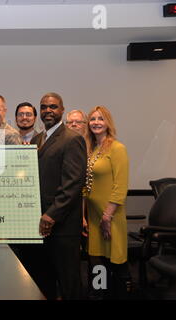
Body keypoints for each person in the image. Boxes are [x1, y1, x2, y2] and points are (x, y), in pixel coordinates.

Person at [29, 92, 87, 300]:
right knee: (44, 280)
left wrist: (52, 215)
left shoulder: (73, 139)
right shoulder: (37, 139)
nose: (48, 111)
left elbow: (73, 184)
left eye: (53, 107)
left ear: (62, 110)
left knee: (68, 282)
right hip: (39, 224)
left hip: (62, 226)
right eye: (44, 107)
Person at [84, 106, 131, 299]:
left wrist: (107, 216)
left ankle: (120, 295)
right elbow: (86, 186)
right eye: (93, 119)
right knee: (97, 262)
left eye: (100, 119)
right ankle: (99, 294)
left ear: (108, 123)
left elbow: (120, 186)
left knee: (116, 263)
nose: (96, 122)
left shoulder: (117, 148)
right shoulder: (93, 149)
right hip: (94, 217)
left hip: (110, 216)